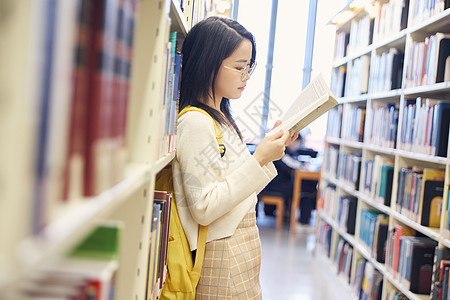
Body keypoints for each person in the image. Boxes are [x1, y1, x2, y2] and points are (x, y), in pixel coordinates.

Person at [172, 16, 298, 299]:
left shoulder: (221, 118)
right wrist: (258, 160)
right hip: (223, 251)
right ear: (208, 64)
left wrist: (267, 153)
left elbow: (238, 191)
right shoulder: (195, 122)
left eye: (249, 67)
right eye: (240, 67)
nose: (247, 77)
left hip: (241, 244)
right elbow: (204, 207)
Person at [259, 131, 319, 225]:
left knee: (307, 186)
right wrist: (303, 165)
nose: (298, 145)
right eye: (297, 142)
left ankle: (301, 219)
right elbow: (291, 164)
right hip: (275, 185)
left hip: (279, 183)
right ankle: (303, 221)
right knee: (306, 189)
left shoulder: (288, 152)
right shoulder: (282, 152)